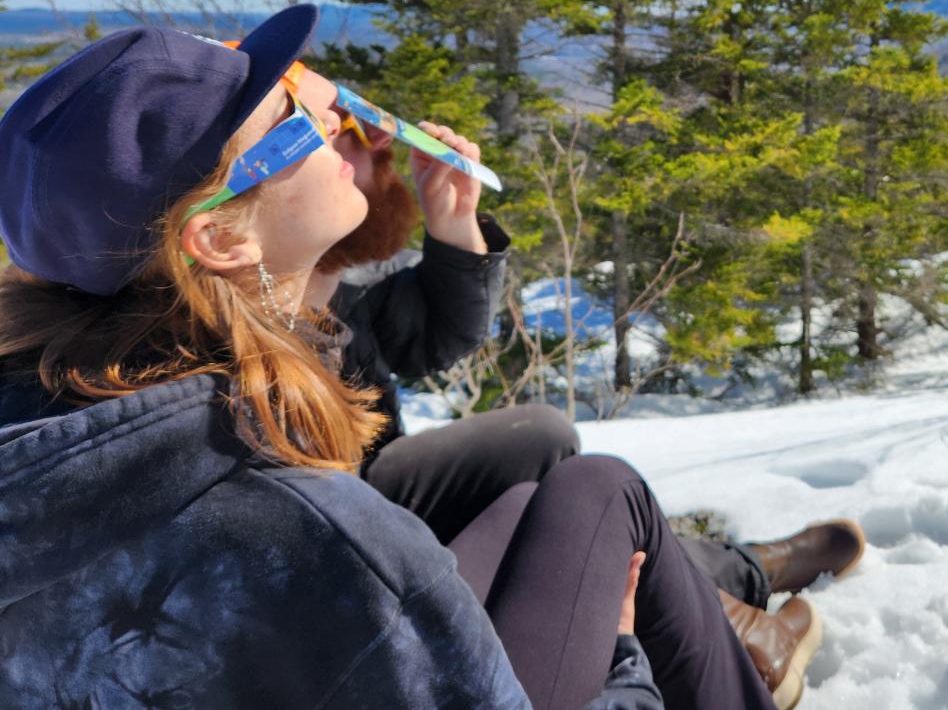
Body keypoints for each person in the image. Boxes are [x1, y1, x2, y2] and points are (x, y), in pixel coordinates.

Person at [0, 6, 776, 709]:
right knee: (603, 491)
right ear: (222, 238)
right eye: (293, 118)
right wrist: (621, 654)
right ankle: (737, 618)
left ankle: (724, 588)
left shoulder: (61, 399)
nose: (333, 111)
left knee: (531, 494)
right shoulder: (313, 527)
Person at [289, 62, 864, 705]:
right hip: (362, 580)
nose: (376, 138)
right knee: (577, 486)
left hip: (370, 523)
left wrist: (452, 222)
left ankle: (724, 575)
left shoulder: (305, 295)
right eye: (334, 126)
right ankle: (729, 598)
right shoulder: (239, 344)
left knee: (538, 443)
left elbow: (430, 332)